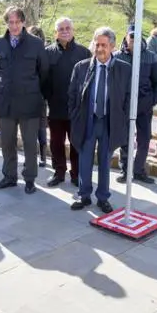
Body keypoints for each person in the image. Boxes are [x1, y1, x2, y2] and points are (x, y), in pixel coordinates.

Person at [68, 27, 131, 213]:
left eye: (104, 44)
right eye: (97, 44)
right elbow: (72, 95)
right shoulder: (81, 67)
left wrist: (122, 120)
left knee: (105, 161)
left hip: (109, 122)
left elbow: (128, 98)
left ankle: (103, 198)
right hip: (87, 121)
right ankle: (84, 195)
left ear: (112, 46)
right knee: (84, 159)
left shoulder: (124, 69)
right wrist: (75, 116)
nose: (100, 48)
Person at [0, 6, 49, 194]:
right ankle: (9, 176)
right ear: (6, 23)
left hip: (29, 103)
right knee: (7, 143)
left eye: (17, 22)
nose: (14, 26)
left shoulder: (36, 44)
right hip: (6, 103)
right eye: (10, 22)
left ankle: (30, 179)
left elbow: (44, 72)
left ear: (23, 22)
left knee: (30, 144)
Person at [43, 17, 90, 187]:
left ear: (73, 30)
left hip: (77, 109)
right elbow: (43, 79)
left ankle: (77, 175)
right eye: (61, 28)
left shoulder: (84, 53)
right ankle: (59, 172)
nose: (64, 31)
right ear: (56, 32)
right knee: (56, 143)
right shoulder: (47, 53)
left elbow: (89, 80)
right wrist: (49, 96)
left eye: (67, 27)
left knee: (76, 144)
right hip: (55, 108)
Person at [116, 24, 157, 184]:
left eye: (137, 37)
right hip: (125, 106)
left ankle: (139, 170)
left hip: (144, 105)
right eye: (131, 37)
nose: (134, 41)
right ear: (126, 38)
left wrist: (152, 100)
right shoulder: (117, 56)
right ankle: (125, 170)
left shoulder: (151, 56)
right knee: (125, 139)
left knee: (144, 139)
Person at [28, 24, 49, 168]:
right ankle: (32, 157)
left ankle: (42, 156)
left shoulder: (44, 52)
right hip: (26, 94)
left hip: (39, 94)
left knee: (40, 126)